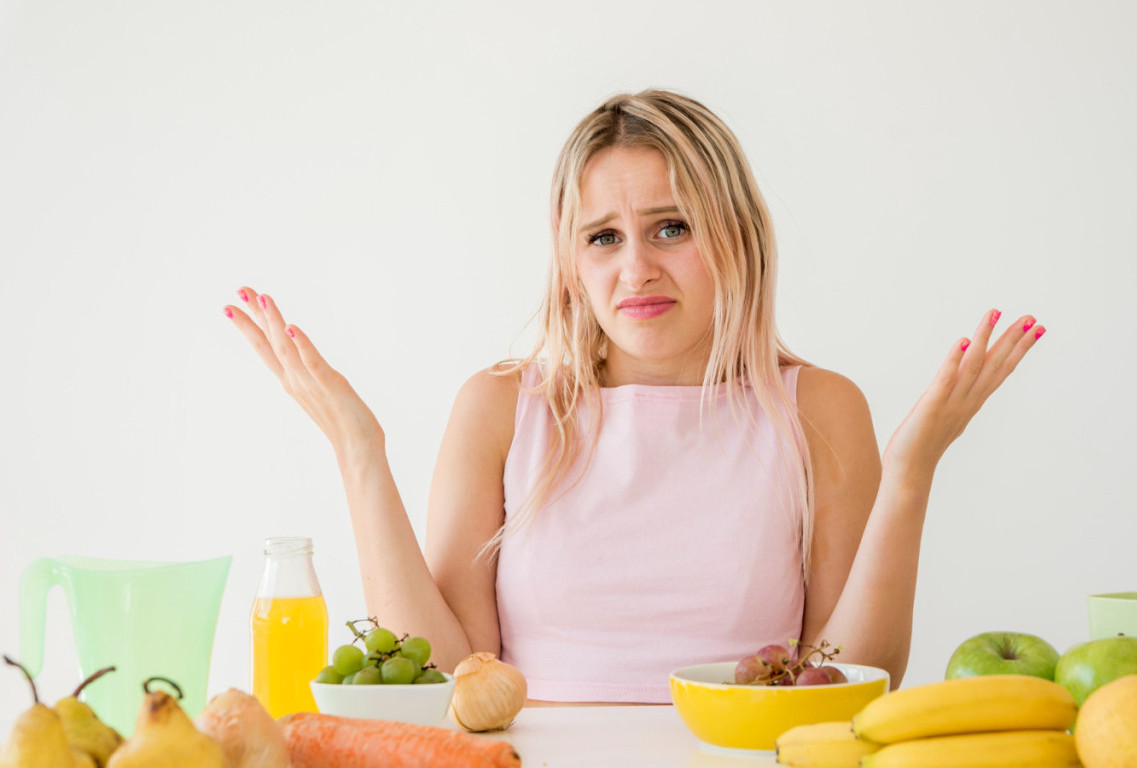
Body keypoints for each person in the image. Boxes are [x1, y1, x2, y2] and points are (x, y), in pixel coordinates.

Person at [223, 89, 1044, 703]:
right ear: (571, 262)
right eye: (603, 237)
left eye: (672, 227)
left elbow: (852, 680)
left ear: (737, 236)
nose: (636, 269)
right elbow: (444, 674)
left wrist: (912, 470)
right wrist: (357, 451)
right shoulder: (502, 408)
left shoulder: (818, 408)